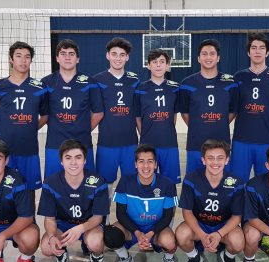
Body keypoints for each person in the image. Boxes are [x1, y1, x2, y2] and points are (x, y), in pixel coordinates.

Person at [231, 32, 269, 256]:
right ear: (248, 51)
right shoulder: (238, 77)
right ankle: (235, 229)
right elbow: (232, 109)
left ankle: (265, 232)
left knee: (265, 188)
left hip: (265, 142)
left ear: (267, 52)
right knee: (238, 187)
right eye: (253, 47)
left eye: (261, 47)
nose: (257, 51)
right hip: (242, 140)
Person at [104, 144, 179, 262]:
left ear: (156, 164)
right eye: (141, 161)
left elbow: (168, 216)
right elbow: (120, 213)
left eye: (150, 161)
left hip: (156, 228)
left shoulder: (167, 184)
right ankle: (125, 258)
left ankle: (168, 259)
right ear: (135, 164)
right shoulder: (126, 181)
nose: (146, 166)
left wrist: (151, 233)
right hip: (132, 227)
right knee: (110, 236)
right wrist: (137, 233)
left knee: (170, 242)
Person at [0, 41, 46, 198]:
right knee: (5, 191)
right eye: (18, 56)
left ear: (31, 60)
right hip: (4, 150)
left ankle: (29, 222)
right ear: (11, 59)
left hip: (29, 149)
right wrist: (2, 132)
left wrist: (30, 128)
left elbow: (45, 116)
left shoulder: (39, 87)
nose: (23, 60)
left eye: (27, 57)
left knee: (28, 192)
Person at [38, 140, 109, 262]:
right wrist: (52, 236)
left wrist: (81, 229)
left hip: (89, 225)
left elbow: (98, 217)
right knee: (47, 247)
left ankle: (96, 259)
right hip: (63, 226)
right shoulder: (50, 183)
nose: (73, 163)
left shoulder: (98, 182)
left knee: (95, 243)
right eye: (68, 158)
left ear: (84, 160)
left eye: (78, 157)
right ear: (61, 161)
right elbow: (50, 219)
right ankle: (61, 255)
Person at [176, 139, 244, 262]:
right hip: (199, 225)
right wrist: (201, 234)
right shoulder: (191, 179)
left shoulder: (236, 182)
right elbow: (187, 212)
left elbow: (237, 216)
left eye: (220, 158)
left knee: (238, 242)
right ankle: (194, 258)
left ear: (227, 160)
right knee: (181, 235)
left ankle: (228, 257)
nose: (215, 162)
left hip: (223, 226)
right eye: (210, 158)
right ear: (203, 160)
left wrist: (219, 234)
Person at [39, 39, 103, 178]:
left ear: (78, 58)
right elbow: (43, 114)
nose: (67, 57)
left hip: (82, 143)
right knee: (53, 184)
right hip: (55, 144)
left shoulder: (89, 82)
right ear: (57, 58)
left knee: (87, 185)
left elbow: (98, 113)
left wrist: (83, 128)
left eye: (71, 54)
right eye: (63, 53)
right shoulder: (46, 82)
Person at [179, 39, 238, 174]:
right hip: (196, 144)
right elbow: (184, 112)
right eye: (204, 54)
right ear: (198, 58)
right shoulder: (187, 83)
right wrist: (198, 125)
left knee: (223, 186)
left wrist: (218, 123)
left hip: (222, 144)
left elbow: (233, 111)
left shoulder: (231, 83)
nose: (208, 57)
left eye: (212, 54)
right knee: (194, 184)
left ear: (218, 58)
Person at [93, 37, 139, 197]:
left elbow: (139, 113)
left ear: (127, 57)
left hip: (130, 144)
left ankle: (129, 221)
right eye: (114, 54)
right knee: (105, 185)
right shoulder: (97, 80)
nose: (118, 58)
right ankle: (102, 221)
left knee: (132, 184)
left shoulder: (135, 80)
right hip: (107, 144)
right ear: (107, 56)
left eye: (122, 54)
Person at [134, 49, 181, 184]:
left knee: (170, 184)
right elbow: (137, 117)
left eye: (162, 62)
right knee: (146, 182)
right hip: (147, 145)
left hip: (169, 144)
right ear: (149, 66)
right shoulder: (140, 89)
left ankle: (169, 206)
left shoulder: (175, 88)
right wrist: (146, 135)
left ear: (167, 66)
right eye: (154, 62)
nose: (158, 65)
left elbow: (174, 115)